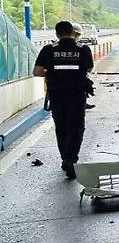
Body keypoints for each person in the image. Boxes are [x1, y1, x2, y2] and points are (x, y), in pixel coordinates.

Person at [33, 21, 94, 179]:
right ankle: (71, 160)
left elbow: (37, 72)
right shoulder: (83, 49)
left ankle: (65, 158)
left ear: (57, 34)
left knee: (61, 127)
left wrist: (52, 72)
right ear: (73, 33)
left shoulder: (48, 50)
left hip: (57, 96)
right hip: (77, 95)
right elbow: (88, 68)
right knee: (77, 127)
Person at [71, 23, 96, 110]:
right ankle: (83, 102)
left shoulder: (51, 48)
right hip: (77, 81)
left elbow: (39, 70)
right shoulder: (83, 49)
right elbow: (89, 68)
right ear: (76, 34)